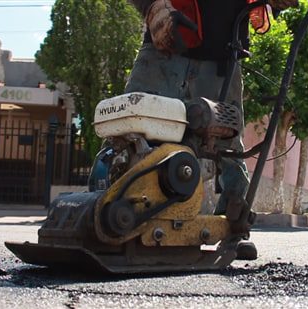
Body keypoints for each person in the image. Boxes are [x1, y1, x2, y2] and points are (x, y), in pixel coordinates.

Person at [126, 0, 298, 259]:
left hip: (223, 55)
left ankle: (233, 227)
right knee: (129, 131)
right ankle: (102, 212)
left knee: (227, 144)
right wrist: (150, 7)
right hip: (164, 45)